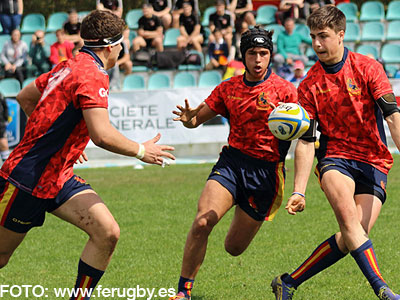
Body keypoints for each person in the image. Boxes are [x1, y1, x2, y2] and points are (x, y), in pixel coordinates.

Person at [0, 9, 175, 300]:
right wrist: (141, 150)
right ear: (111, 46)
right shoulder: (93, 75)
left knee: (107, 232)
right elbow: (102, 135)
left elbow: (25, 96)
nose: (122, 49)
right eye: (121, 44)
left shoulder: (68, 64)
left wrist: (61, 143)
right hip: (26, 180)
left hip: (57, 176)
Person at [271, 6, 400, 300]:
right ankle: (383, 290)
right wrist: (299, 190)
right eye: (313, 36)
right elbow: (305, 141)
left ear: (341, 35)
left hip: (374, 161)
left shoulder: (369, 68)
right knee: (351, 226)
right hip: (335, 160)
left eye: (324, 36)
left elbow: (392, 115)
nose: (317, 44)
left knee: (352, 236)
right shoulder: (309, 85)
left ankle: (288, 282)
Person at [168, 26, 297, 300]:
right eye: (252, 53)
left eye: (264, 53)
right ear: (243, 56)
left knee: (233, 248)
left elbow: (303, 133)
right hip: (232, 164)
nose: (258, 59)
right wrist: (189, 117)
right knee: (203, 222)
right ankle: (183, 292)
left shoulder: (286, 92)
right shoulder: (228, 88)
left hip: (266, 174)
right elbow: (194, 121)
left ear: (270, 55)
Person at [0, 92, 9, 163]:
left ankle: (6, 164)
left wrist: (5, 119)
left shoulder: (0, 95)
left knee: (3, 142)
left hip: (0, 123)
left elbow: (5, 106)